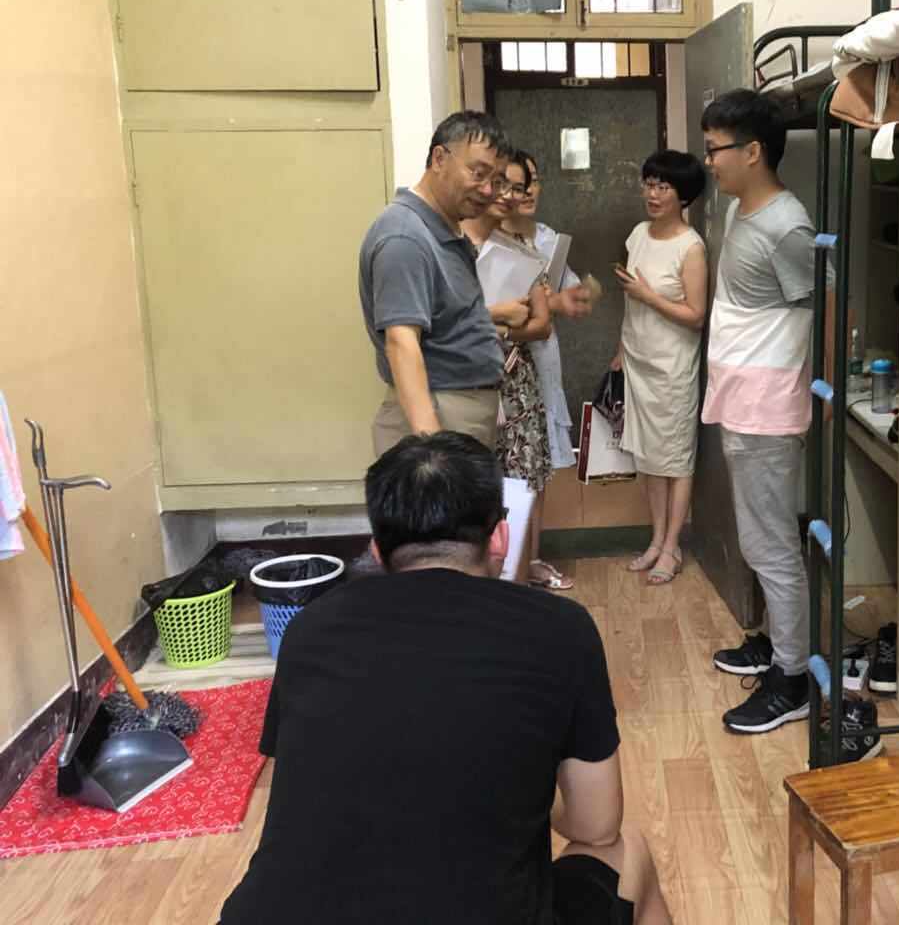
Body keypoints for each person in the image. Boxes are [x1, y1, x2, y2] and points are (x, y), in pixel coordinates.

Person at [219, 432, 670, 925]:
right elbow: (596, 825)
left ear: (377, 551)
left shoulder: (309, 630)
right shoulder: (562, 629)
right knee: (629, 853)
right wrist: (523, 787)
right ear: (500, 538)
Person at [699, 89, 832, 735]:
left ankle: (792, 679)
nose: (710, 162)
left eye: (716, 150)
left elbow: (828, 304)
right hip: (740, 400)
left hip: (767, 411)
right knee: (759, 538)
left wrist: (824, 394)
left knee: (772, 546)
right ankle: (778, 644)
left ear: (752, 152)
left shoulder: (787, 227)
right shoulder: (739, 212)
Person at [359, 111, 531, 453]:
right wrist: (434, 448)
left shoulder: (444, 228)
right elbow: (402, 342)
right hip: (439, 415)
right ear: (439, 159)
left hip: (459, 412)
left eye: (497, 181)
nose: (488, 190)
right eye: (478, 173)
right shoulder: (405, 236)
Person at [461, 157, 572, 591]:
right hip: (470, 380)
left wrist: (504, 327)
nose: (507, 195)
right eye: (500, 184)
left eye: (517, 187)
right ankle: (480, 585)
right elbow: (443, 321)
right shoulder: (453, 246)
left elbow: (540, 323)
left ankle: (521, 579)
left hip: (518, 383)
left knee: (524, 480)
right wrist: (500, 318)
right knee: (474, 482)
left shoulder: (524, 251)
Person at [611, 151, 708, 585]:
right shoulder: (637, 234)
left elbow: (696, 315)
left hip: (672, 368)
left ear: (683, 196)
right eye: (649, 183)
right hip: (637, 359)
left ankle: (672, 546)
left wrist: (649, 296)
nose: (652, 193)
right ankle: (655, 540)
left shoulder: (691, 247)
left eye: (663, 186)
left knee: (676, 459)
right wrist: (620, 348)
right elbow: (629, 301)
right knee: (649, 457)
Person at [502, 151, 590, 583]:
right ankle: (509, 566)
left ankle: (530, 559)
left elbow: (569, 291)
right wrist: (547, 305)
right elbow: (510, 311)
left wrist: (572, 298)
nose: (526, 192)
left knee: (535, 471)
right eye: (517, 185)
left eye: (532, 181)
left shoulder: (547, 238)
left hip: (542, 360)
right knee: (511, 475)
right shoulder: (490, 241)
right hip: (507, 368)